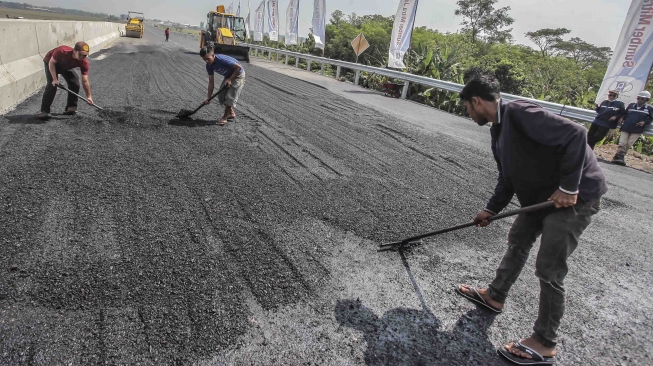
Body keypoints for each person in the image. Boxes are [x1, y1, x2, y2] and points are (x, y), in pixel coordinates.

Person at [455, 75, 607, 365]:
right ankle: (495, 295)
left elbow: (576, 133)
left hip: (574, 199)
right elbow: (507, 178)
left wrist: (569, 187)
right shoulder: (498, 133)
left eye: (467, 107)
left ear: (476, 101)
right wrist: (491, 209)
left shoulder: (519, 112)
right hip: (540, 199)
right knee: (518, 241)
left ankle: (545, 342)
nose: (468, 113)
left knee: (549, 268)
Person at [38, 41, 94, 120]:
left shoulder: (84, 62)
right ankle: (44, 111)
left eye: (85, 55)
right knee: (52, 85)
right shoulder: (62, 51)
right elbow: (52, 63)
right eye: (81, 54)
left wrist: (89, 97)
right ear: (74, 51)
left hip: (66, 65)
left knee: (75, 83)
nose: (83, 57)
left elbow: (85, 80)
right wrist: (54, 79)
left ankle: (71, 108)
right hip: (51, 63)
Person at [200, 47, 245, 125]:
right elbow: (211, 81)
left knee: (230, 97)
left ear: (213, 55)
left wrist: (230, 79)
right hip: (229, 75)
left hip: (238, 75)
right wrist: (208, 97)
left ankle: (224, 117)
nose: (206, 61)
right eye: (204, 59)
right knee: (221, 95)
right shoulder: (208, 65)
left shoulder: (222, 60)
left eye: (208, 58)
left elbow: (238, 68)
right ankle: (231, 113)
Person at [611, 90, 653, 165]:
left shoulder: (649, 108)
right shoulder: (631, 105)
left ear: (646, 100)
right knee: (622, 143)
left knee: (629, 144)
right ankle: (620, 157)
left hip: (637, 129)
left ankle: (619, 156)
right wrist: (621, 119)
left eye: (642, 99)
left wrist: (644, 122)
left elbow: (651, 118)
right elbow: (625, 114)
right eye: (639, 98)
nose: (640, 100)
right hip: (626, 127)